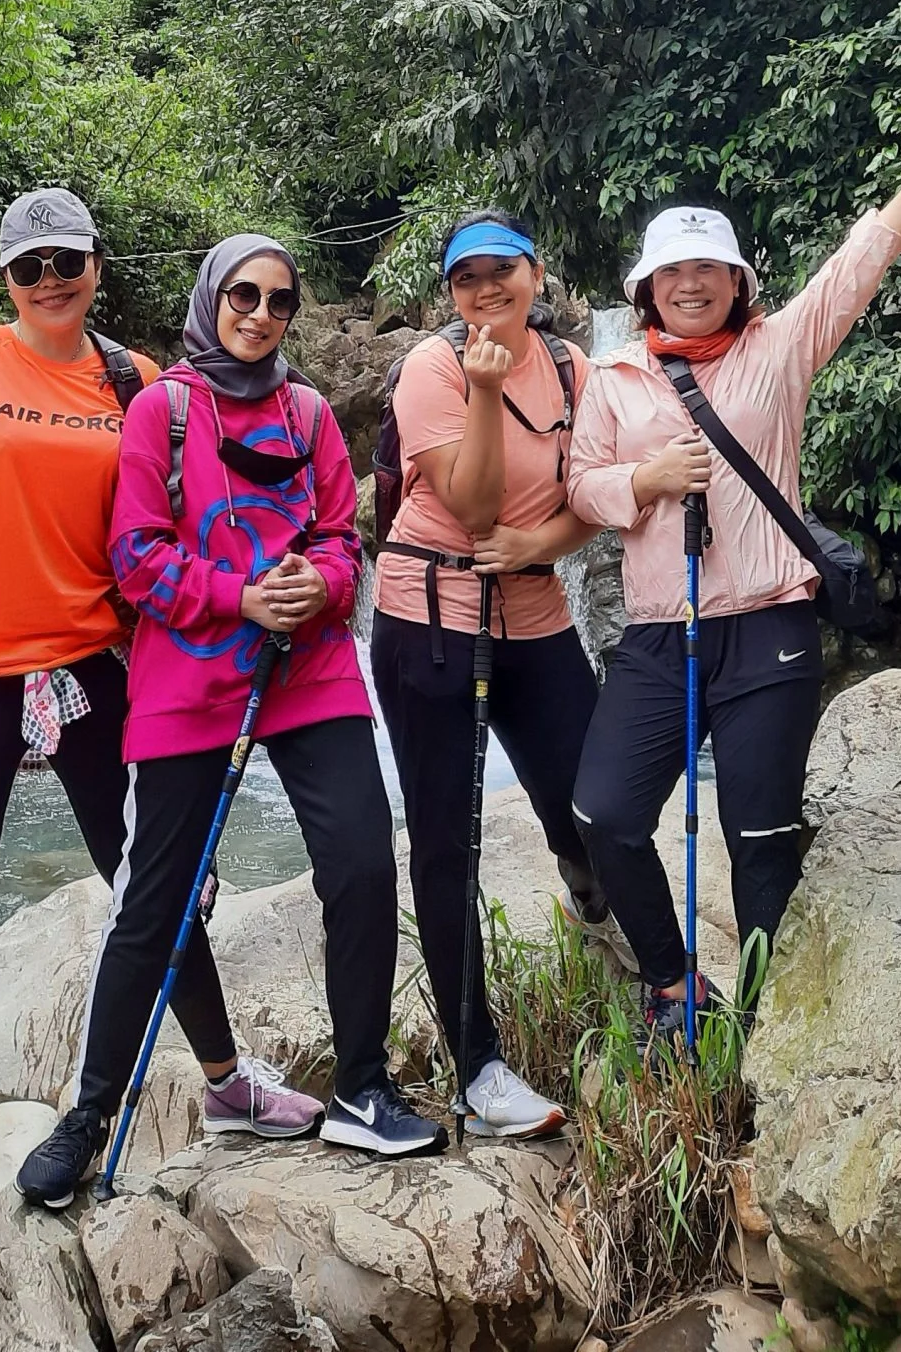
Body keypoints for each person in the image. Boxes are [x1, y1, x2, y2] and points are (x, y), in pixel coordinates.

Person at [0, 188, 308, 1146]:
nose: (51, 281)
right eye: (31, 267)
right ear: (7, 278)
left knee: (154, 879)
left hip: (87, 658)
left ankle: (227, 1085)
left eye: (68, 262)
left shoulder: (137, 381)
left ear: (97, 265)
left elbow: (181, 517)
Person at [18, 233, 443, 1209]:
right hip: (192, 672)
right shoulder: (162, 413)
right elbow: (136, 557)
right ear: (212, 298)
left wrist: (319, 585)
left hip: (310, 668)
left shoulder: (308, 416)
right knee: (154, 901)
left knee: (365, 860)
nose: (259, 312)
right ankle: (87, 1115)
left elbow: (346, 541)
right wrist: (241, 594)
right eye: (243, 294)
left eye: (279, 300)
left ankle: (363, 1087)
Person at [568, 92, 901, 1042]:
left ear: (738, 279)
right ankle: (672, 983)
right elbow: (582, 487)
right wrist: (647, 479)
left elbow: (858, 266)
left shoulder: (778, 349)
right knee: (603, 812)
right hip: (664, 633)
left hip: (771, 628)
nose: (691, 282)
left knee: (760, 840)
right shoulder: (614, 379)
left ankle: (761, 1022)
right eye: (673, 270)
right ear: (646, 289)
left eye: (709, 266)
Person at [372, 208, 607, 1138]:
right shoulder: (431, 369)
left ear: (535, 273)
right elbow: (468, 506)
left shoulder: (579, 371)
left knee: (594, 801)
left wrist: (539, 540)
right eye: (465, 279)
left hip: (536, 605)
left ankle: (606, 916)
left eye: (499, 271)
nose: (484, 290)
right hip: (429, 615)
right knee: (445, 840)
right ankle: (479, 1065)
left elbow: (595, 497)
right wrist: (479, 390)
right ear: (451, 293)